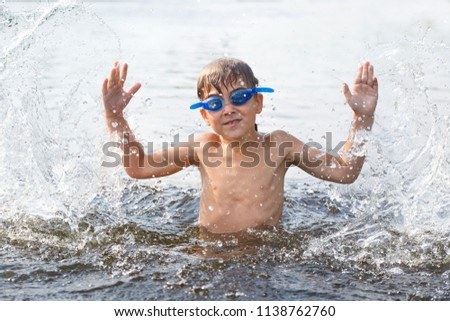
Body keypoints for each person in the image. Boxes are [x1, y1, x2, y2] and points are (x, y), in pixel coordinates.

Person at [102, 58, 378, 234]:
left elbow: (345, 172)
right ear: (204, 115)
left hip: (265, 254)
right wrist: (115, 117)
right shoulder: (202, 148)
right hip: (209, 251)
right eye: (214, 103)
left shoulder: (279, 146)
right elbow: (138, 167)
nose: (228, 109)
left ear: (257, 102)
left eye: (240, 97)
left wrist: (362, 118)